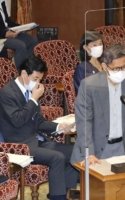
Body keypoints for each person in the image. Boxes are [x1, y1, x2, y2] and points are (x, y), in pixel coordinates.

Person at [0, 56, 78, 200]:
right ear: (24, 74)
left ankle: (61, 192)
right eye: (35, 78)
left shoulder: (31, 91)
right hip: (19, 145)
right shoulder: (7, 93)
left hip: (36, 140)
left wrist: (59, 126)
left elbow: (39, 122)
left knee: (75, 151)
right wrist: (34, 99)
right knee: (57, 157)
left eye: (40, 79)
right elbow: (17, 120)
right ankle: (58, 197)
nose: (38, 83)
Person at [0, 0, 38, 72]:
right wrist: (5, 34)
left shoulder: (2, 2)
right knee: (20, 45)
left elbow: (7, 21)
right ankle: (19, 73)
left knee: (32, 40)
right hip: (2, 36)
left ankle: (28, 69)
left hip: (8, 32)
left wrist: (21, 27)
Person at [74, 30, 103, 95]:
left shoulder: (105, 63)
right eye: (94, 45)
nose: (99, 47)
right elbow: (81, 93)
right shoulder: (82, 68)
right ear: (85, 47)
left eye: (100, 44)